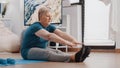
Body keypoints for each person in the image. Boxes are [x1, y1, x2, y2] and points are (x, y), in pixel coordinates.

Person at [21, 6, 91, 62]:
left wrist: (73, 40)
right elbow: (49, 36)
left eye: (51, 16)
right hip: (28, 51)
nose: (50, 18)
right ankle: (73, 57)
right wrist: (66, 42)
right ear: (40, 16)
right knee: (48, 54)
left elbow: (61, 34)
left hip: (42, 48)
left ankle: (78, 56)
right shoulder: (35, 26)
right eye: (48, 16)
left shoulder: (49, 26)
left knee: (57, 51)